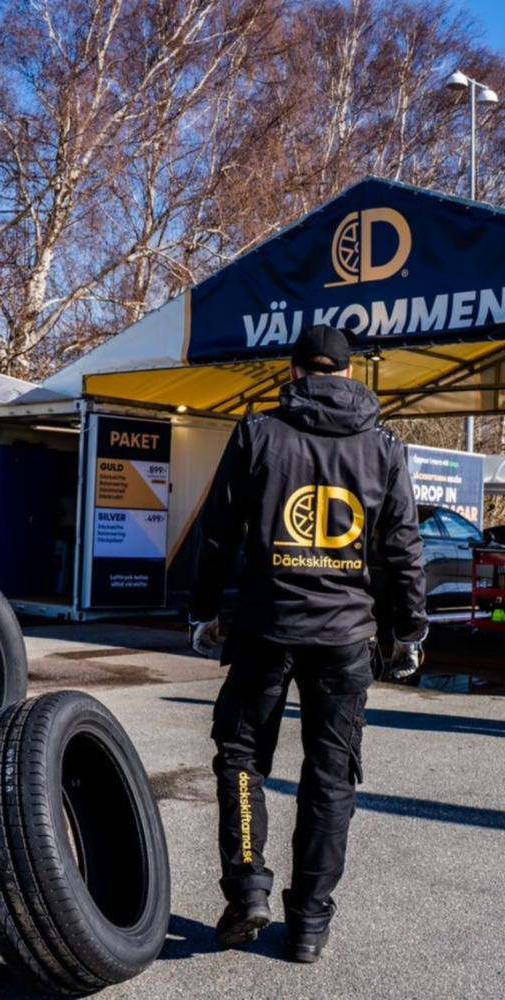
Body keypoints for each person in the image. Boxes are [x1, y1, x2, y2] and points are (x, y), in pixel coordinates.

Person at [188, 324, 427, 963]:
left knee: (242, 759)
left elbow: (218, 532)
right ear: (349, 375)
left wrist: (204, 612)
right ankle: (310, 924)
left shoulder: (258, 432)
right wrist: (409, 629)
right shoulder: (383, 445)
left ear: (293, 372)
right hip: (346, 637)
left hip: (266, 627)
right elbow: (402, 545)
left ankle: (247, 890)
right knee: (330, 778)